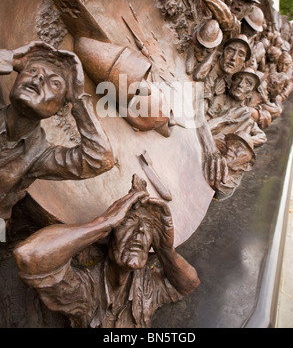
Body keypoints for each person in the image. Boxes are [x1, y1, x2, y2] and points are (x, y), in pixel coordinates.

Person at [13, 175, 200, 329]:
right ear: (109, 236)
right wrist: (103, 223)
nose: (140, 231)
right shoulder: (86, 289)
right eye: (129, 222)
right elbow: (29, 255)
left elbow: (187, 284)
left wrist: (166, 251)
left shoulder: (146, 286)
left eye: (148, 226)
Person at [0, 41, 114, 221]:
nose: (38, 79)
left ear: (60, 106)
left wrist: (78, 101)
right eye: (32, 71)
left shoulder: (40, 155)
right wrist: (8, 58)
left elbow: (99, 159)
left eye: (54, 84)